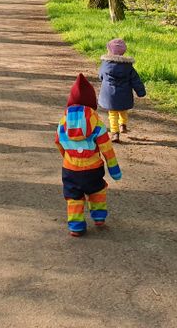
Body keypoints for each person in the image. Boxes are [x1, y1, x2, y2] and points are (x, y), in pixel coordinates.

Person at [55, 73, 122, 237]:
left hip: (70, 169)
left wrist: (66, 157)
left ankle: (76, 226)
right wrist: (114, 169)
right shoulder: (96, 121)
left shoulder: (63, 121)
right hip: (93, 168)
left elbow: (58, 142)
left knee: (74, 198)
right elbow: (106, 148)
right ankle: (99, 217)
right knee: (97, 190)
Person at [98, 38, 146, 143]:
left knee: (112, 113)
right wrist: (141, 92)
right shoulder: (128, 67)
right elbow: (135, 80)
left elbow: (101, 76)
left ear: (109, 50)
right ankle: (123, 125)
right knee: (123, 110)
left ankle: (115, 133)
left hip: (110, 95)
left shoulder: (105, 65)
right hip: (124, 94)